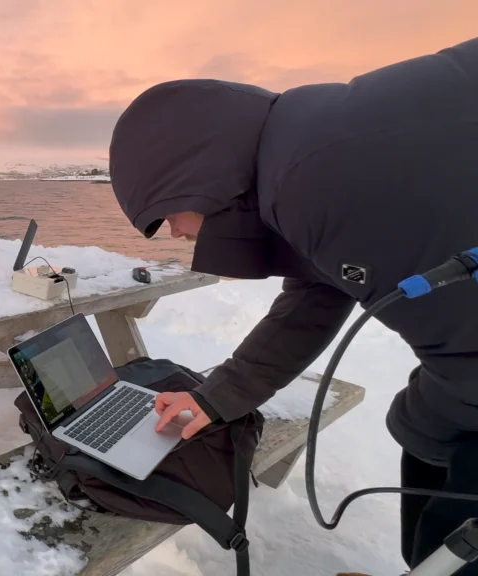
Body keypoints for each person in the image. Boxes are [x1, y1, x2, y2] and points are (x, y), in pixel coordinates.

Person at [108, 36, 478, 573]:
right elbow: (317, 292)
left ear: (193, 176)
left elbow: (468, 361)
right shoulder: (303, 144)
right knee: (428, 441)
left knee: (434, 457)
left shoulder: (311, 176)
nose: (174, 235)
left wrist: (424, 428)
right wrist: (215, 398)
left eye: (165, 219)